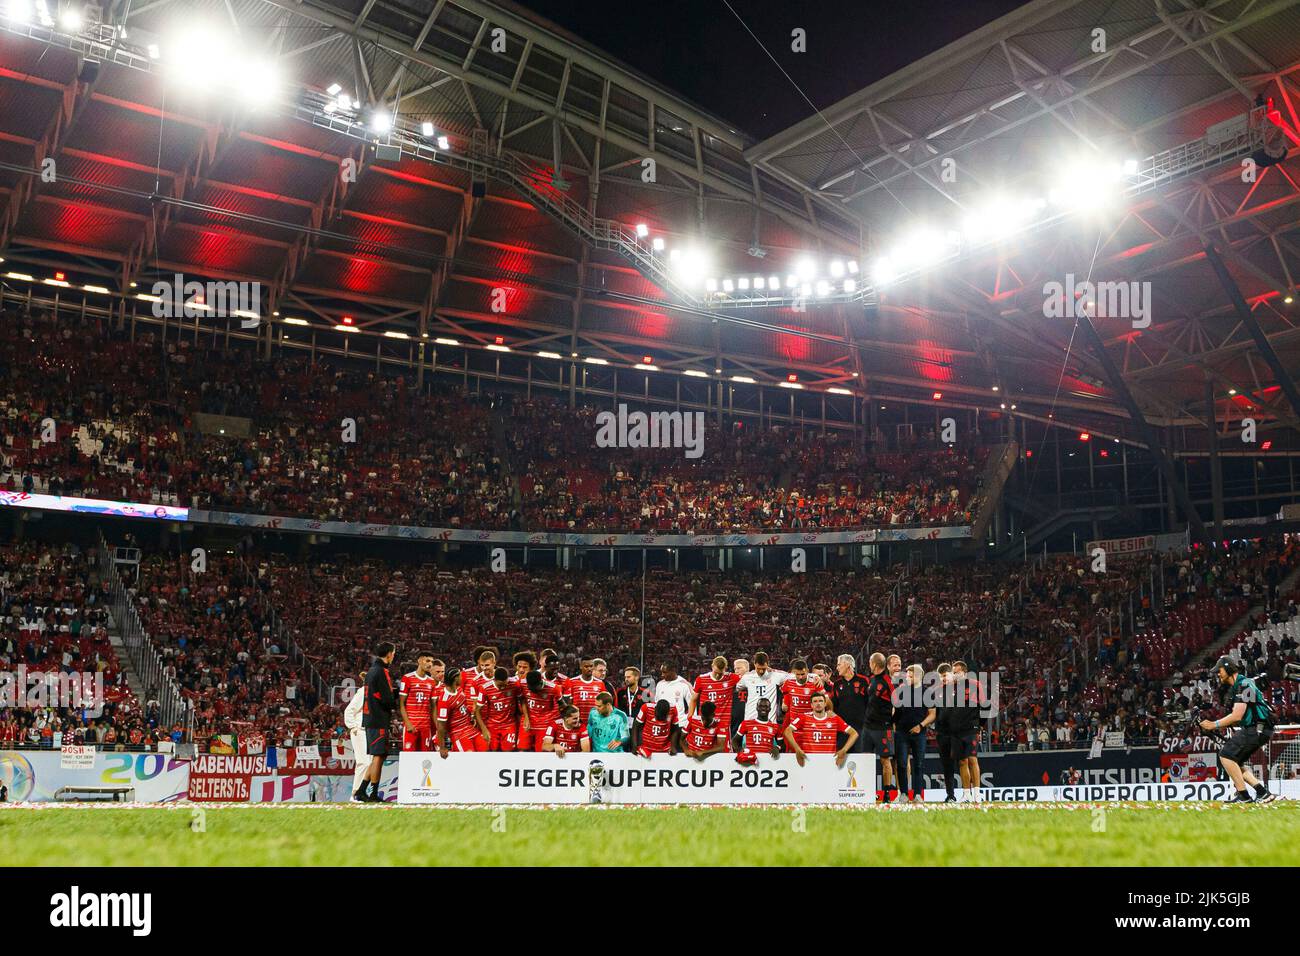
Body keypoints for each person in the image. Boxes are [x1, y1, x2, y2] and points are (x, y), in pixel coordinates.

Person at [1200, 656, 1276, 803]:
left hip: (1257, 728)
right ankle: (1263, 793)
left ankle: (1244, 796)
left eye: (1219, 670)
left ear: (1228, 668)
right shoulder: (1240, 686)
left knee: (1226, 755)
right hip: (1259, 728)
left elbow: (1237, 715)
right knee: (1235, 761)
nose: (1218, 674)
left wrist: (1213, 724)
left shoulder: (1245, 684)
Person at [357, 642, 397, 802]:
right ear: (389, 654)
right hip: (378, 719)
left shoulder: (372, 671)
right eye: (393, 653)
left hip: (371, 718)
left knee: (378, 756)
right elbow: (387, 698)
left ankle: (361, 790)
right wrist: (398, 701)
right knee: (378, 756)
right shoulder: (382, 672)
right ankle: (373, 793)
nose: (393, 656)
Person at [893, 664, 935, 802]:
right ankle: (903, 794)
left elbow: (932, 714)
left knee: (918, 764)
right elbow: (895, 711)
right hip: (901, 732)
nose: (907, 677)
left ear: (919, 676)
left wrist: (921, 726)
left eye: (910, 675)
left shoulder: (927, 692)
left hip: (919, 733)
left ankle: (917, 794)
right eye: (907, 675)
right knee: (902, 763)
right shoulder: (901, 691)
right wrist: (894, 726)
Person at [784, 691, 857, 768]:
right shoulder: (804, 717)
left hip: (829, 762)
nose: (818, 703)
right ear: (811, 705)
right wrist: (797, 749)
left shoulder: (834, 718)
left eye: (821, 701)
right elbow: (787, 731)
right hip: (808, 761)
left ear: (825, 703)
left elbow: (854, 733)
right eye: (815, 701)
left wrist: (844, 750)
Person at [862, 652, 896, 801]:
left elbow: (897, 704)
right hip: (868, 727)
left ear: (875, 664)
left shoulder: (887, 681)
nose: (869, 665)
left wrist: (890, 721)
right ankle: (868, 791)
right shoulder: (872, 680)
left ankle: (887, 792)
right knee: (866, 760)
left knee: (885, 760)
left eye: (870, 663)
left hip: (882, 727)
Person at [949, 660, 984, 799]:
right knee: (962, 761)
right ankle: (966, 794)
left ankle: (976, 793)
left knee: (972, 759)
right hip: (956, 730)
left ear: (964, 672)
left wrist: (980, 726)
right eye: (953, 673)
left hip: (971, 728)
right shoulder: (952, 688)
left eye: (957, 672)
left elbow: (984, 706)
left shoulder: (975, 685)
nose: (955, 675)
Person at [435, 668, 489, 755]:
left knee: (484, 751)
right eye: (460, 676)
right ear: (455, 678)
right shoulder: (444, 700)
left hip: (470, 729)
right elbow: (441, 725)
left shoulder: (459, 690)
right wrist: (442, 747)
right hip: (459, 734)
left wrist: (471, 716)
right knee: (468, 757)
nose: (462, 678)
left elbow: (463, 707)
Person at [398, 651, 439, 752]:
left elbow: (433, 708)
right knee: (409, 756)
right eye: (427, 661)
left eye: (432, 662)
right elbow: (402, 704)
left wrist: (438, 727)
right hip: (411, 726)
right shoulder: (407, 678)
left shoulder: (431, 682)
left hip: (425, 727)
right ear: (419, 661)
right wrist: (408, 724)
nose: (430, 664)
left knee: (425, 758)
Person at [831, 654, 870, 753]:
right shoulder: (837, 684)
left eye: (839, 664)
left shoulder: (863, 681)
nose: (837, 667)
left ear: (847, 665)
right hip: (842, 728)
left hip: (860, 728)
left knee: (860, 758)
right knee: (841, 757)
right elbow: (833, 705)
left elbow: (870, 703)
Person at [520, 668, 563, 752]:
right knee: (522, 748)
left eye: (534, 688)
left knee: (541, 751)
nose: (531, 690)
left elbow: (563, 705)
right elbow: (522, 699)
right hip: (528, 721)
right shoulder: (522, 683)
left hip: (545, 723)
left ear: (540, 682)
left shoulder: (554, 688)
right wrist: (526, 717)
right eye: (529, 687)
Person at [691, 655, 740, 728]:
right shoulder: (701, 679)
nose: (717, 675)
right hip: (706, 722)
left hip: (724, 723)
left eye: (720, 673)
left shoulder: (732, 678)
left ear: (725, 669)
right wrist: (690, 717)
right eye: (716, 672)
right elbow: (693, 700)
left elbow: (748, 679)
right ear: (712, 666)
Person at [480, 666, 520, 752]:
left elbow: (522, 700)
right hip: (492, 725)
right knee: (493, 752)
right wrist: (484, 729)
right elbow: (477, 710)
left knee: (509, 751)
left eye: (505, 685)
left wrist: (526, 718)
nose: (502, 688)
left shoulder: (515, 684)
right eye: (500, 685)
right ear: (494, 680)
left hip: (509, 725)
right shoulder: (485, 688)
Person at [342, 671, 368, 800]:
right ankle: (355, 794)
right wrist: (353, 727)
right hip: (360, 730)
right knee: (363, 762)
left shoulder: (374, 693)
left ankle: (361, 793)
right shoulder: (363, 691)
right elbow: (349, 710)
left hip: (369, 731)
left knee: (368, 763)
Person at [934, 662, 957, 802]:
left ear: (951, 675)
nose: (943, 679)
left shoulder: (960, 689)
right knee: (947, 765)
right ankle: (950, 795)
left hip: (957, 733)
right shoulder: (936, 691)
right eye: (941, 676)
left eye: (945, 676)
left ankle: (970, 794)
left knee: (963, 763)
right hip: (942, 733)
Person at [734, 697, 781, 764]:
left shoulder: (775, 727)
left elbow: (782, 745)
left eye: (766, 706)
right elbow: (734, 740)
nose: (763, 708)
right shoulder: (746, 724)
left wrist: (777, 747)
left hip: (768, 762)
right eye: (761, 706)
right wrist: (740, 750)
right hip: (750, 761)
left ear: (770, 709)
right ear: (757, 708)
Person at [564, 658, 605, 725]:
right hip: (577, 723)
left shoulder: (600, 683)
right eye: (586, 666)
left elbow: (603, 704)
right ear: (581, 666)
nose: (589, 669)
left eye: (591, 666)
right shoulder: (572, 682)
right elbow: (567, 704)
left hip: (595, 723)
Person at [654, 662, 694, 729]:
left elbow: (692, 706)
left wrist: (687, 724)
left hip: (679, 724)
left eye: (664, 672)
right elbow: (656, 704)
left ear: (673, 671)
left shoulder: (685, 684)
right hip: (663, 723)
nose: (662, 675)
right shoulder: (660, 684)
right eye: (661, 672)